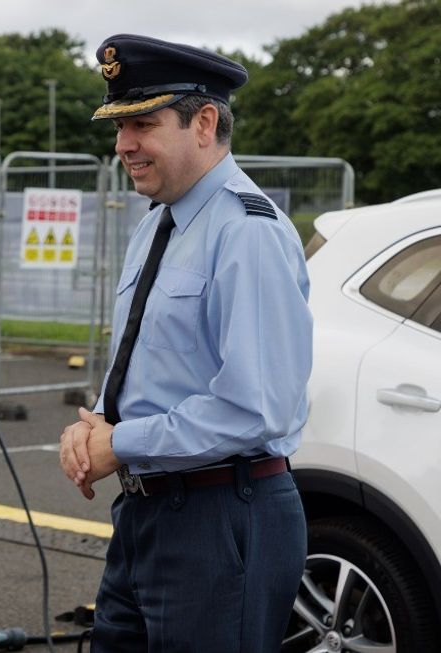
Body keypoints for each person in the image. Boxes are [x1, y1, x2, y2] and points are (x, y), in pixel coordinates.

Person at [58, 35, 312, 652]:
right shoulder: (156, 223)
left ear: (203, 123)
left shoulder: (246, 232)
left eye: (142, 123)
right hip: (148, 513)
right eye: (119, 127)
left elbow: (257, 407)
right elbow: (149, 359)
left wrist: (120, 441)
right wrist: (96, 423)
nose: (122, 146)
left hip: (222, 515)